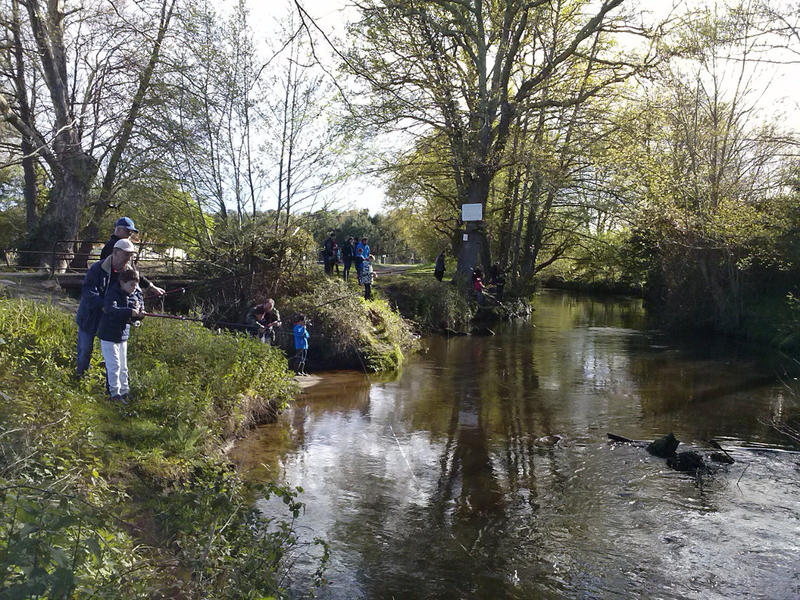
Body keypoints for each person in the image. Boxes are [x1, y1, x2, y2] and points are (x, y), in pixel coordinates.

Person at [75, 238, 137, 377]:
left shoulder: (129, 272)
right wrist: (105, 305)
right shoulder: (97, 268)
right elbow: (88, 292)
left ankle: (111, 386)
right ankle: (80, 378)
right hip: (90, 315)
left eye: (131, 255)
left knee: (114, 356)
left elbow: (135, 292)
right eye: (126, 254)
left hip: (112, 320)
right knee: (85, 350)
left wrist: (136, 306)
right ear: (115, 252)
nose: (129, 258)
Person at [97, 269, 145, 403]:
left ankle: (125, 391)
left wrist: (139, 315)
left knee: (123, 367)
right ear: (122, 282)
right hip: (108, 335)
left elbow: (135, 314)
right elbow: (111, 310)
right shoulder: (112, 293)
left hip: (123, 335)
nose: (134, 288)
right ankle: (114, 394)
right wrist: (130, 311)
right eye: (131, 285)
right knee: (114, 366)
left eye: (136, 285)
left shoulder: (134, 295)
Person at [99, 217, 166, 296]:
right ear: (118, 229)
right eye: (128, 231)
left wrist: (150, 286)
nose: (130, 234)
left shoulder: (122, 246)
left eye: (131, 232)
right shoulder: (113, 247)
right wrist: (150, 287)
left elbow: (132, 271)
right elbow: (129, 272)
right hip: (113, 292)